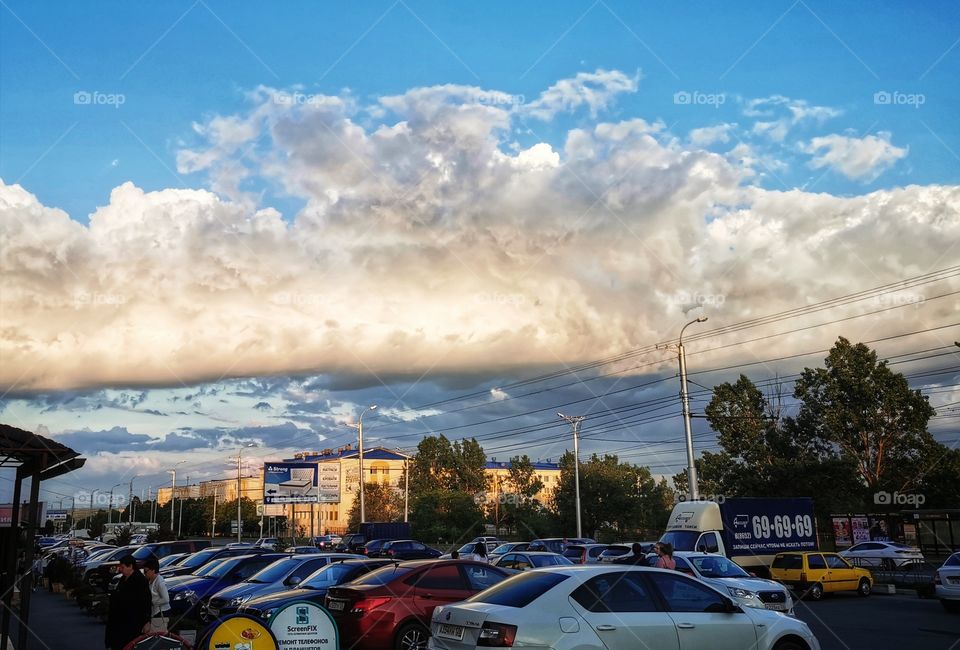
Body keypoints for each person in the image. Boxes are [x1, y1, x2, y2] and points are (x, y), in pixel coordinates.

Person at [105, 554, 151, 650]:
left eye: (122, 567)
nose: (121, 570)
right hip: (119, 620)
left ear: (130, 566)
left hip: (132, 621)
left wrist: (146, 621)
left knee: (129, 645)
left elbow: (146, 601)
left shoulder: (140, 580)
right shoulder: (123, 578)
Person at [143, 556, 169, 633]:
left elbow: (166, 599)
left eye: (146, 571)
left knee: (158, 634)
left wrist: (152, 602)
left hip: (161, 613)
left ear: (153, 570)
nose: (144, 573)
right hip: (155, 613)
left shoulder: (159, 581)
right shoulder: (150, 581)